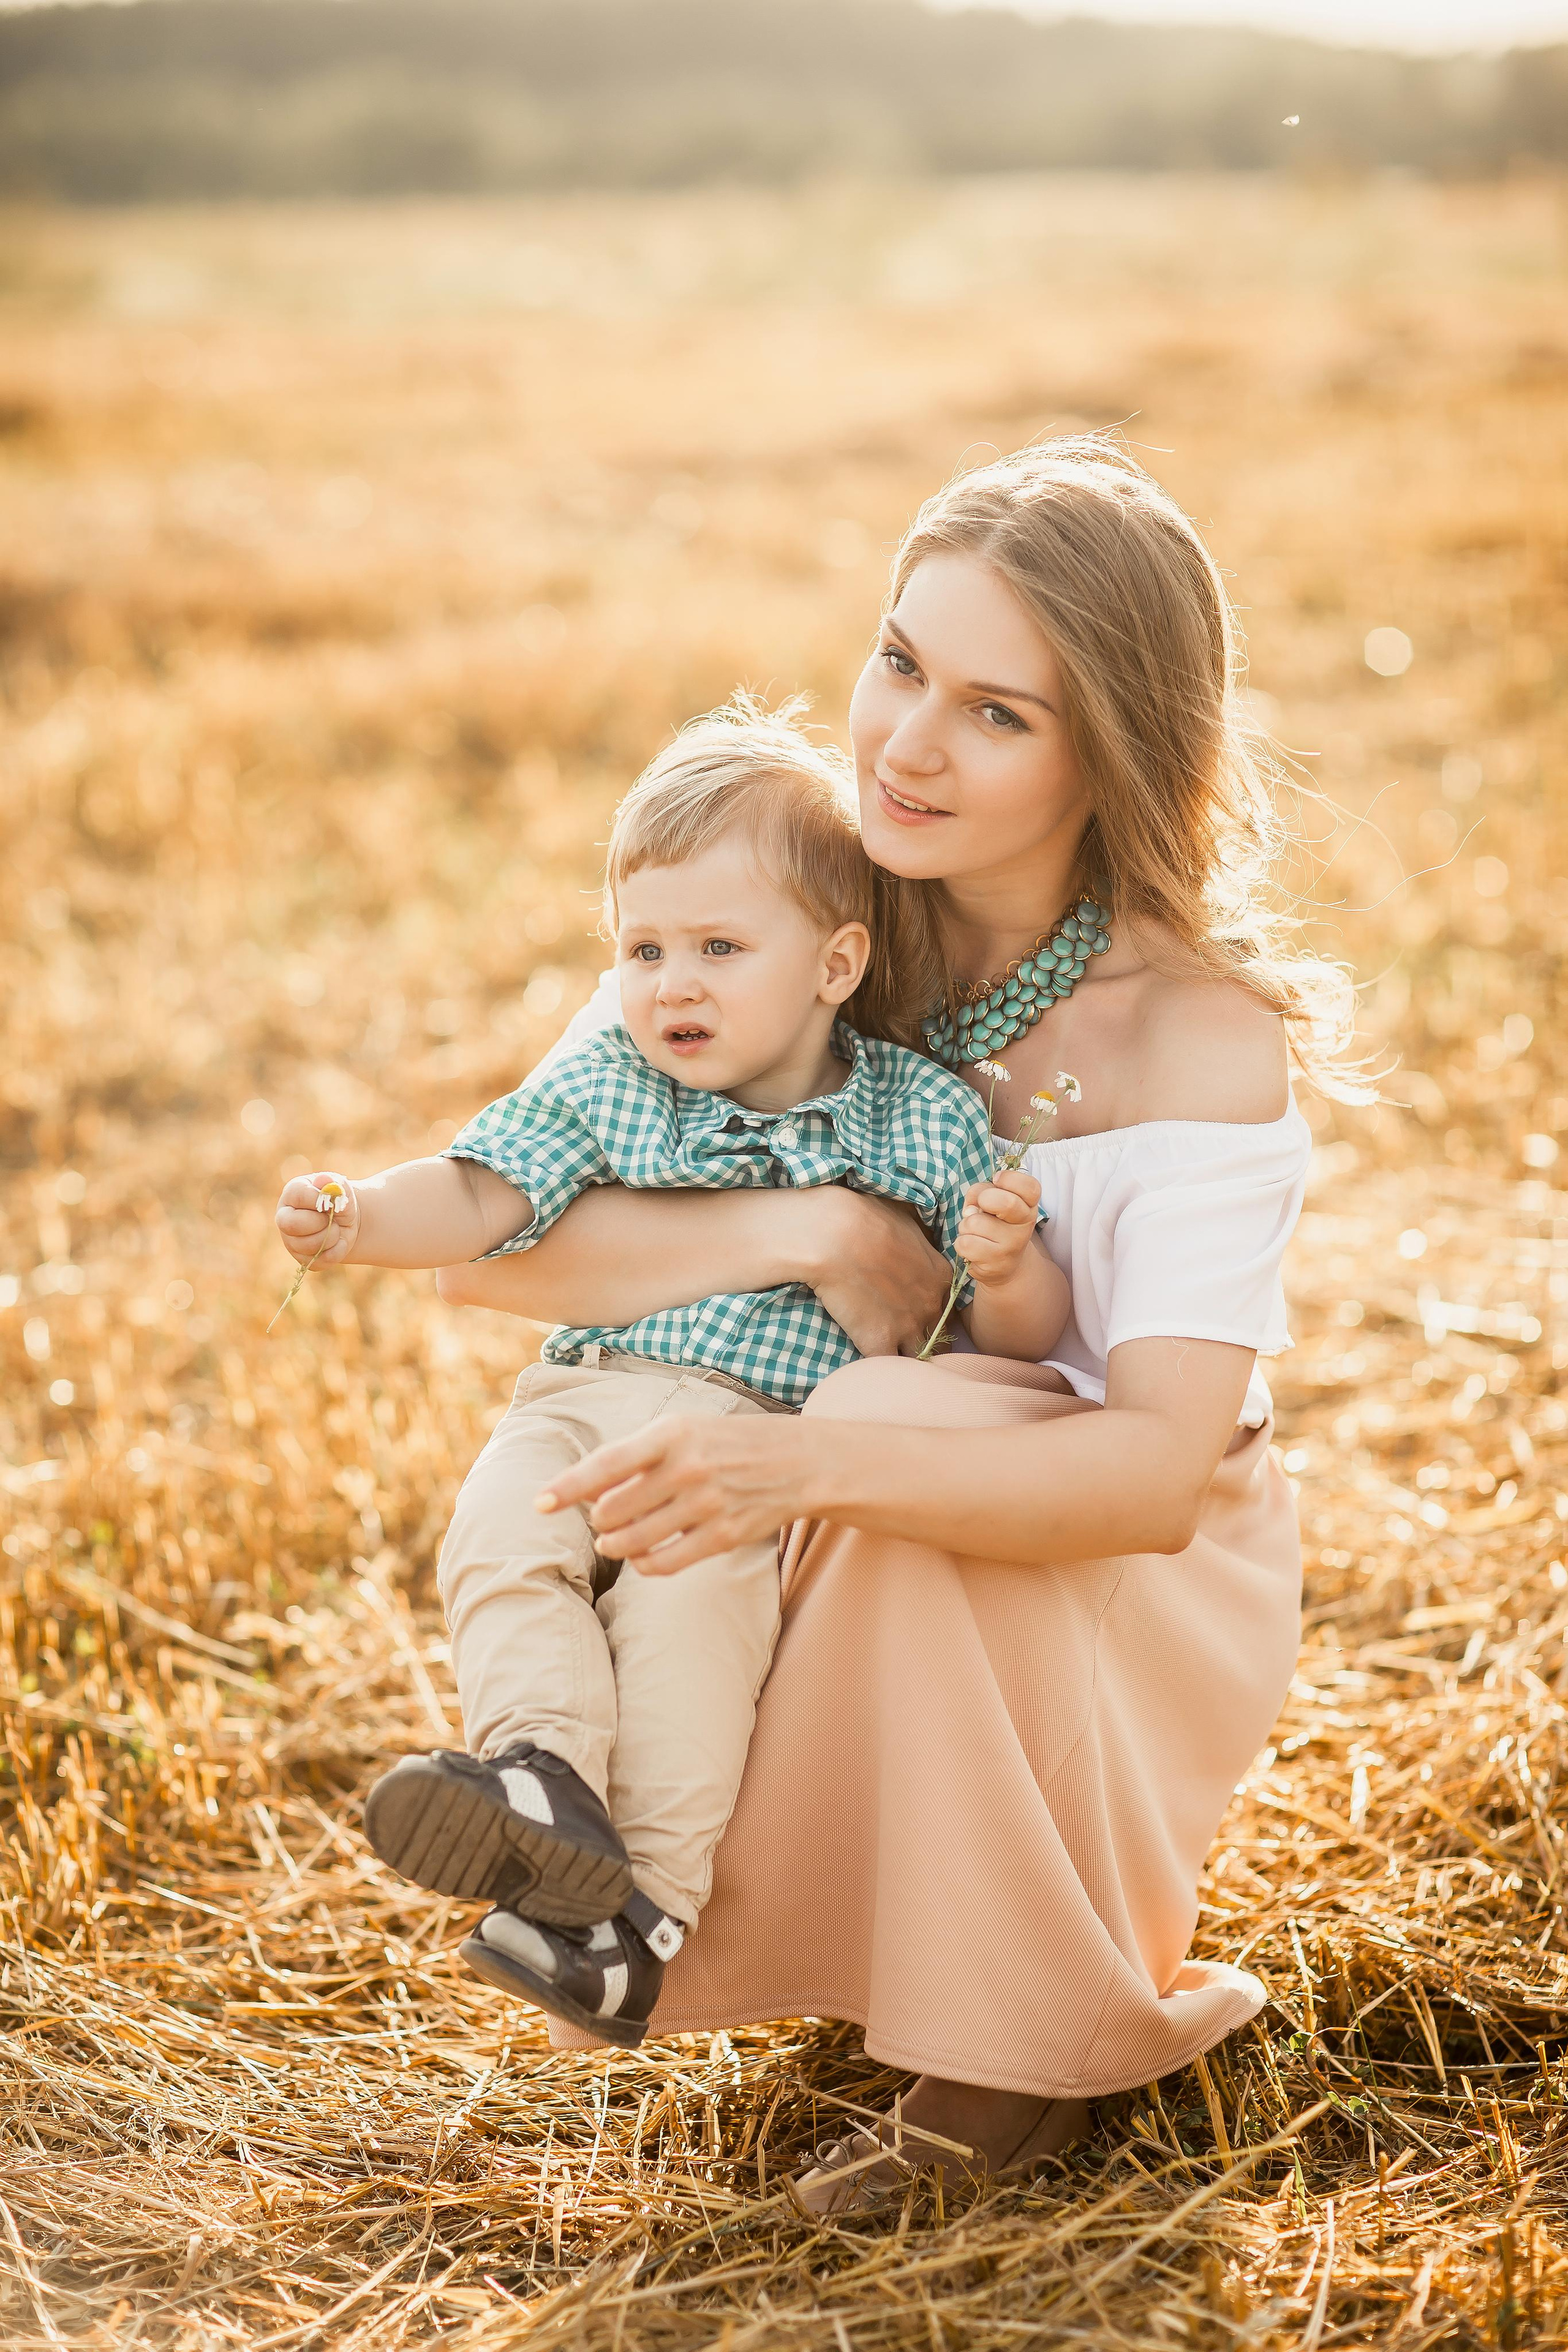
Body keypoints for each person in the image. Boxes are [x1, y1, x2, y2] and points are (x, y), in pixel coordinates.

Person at [437, 437, 1362, 2213]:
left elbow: (1155, 1477)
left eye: (997, 714)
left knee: (897, 1424)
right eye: (899, 662)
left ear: (1113, 752)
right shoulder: (783, 896)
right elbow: (490, 1250)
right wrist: (825, 1228)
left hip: (1119, 1567)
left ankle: (1015, 2058)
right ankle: (677, 1890)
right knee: (677, 1453)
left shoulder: (1191, 1033)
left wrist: (800, 1461)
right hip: (835, 1482)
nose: (906, 746)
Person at [275, 709, 1069, 2049]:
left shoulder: (918, 1116)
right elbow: (476, 1193)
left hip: (747, 1437)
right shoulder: (611, 1082)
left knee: (688, 1630)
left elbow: (1001, 1335)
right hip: (583, 1397)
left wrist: (1007, 1263)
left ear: (834, 964)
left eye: (717, 950)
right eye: (642, 951)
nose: (670, 987)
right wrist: (358, 1216)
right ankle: (539, 1771)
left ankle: (633, 1918)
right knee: (500, 1541)